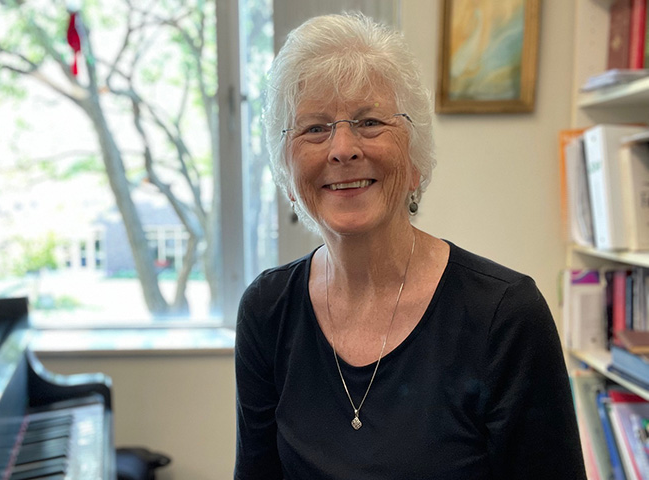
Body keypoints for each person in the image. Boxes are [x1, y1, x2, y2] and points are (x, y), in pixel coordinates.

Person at [234, 12, 586, 480]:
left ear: (416, 159)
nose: (342, 148)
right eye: (315, 128)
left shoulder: (505, 316)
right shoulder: (267, 310)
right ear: (289, 177)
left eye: (369, 122)